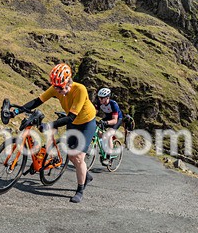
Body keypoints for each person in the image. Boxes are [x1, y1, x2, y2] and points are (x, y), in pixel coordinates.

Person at [8, 63, 97, 203]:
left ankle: (80, 189)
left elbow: (70, 117)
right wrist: (17, 111)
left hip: (87, 123)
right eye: (56, 88)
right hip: (73, 123)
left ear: (68, 82)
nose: (58, 91)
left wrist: (49, 125)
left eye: (61, 88)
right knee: (71, 156)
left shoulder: (80, 89)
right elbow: (37, 101)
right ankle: (85, 174)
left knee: (78, 157)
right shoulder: (56, 88)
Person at [93, 87, 123, 164]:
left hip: (117, 119)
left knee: (109, 134)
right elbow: (94, 113)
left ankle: (109, 156)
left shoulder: (113, 104)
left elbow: (114, 120)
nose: (100, 99)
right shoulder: (99, 103)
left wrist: (106, 123)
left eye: (102, 98)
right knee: (98, 132)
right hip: (108, 117)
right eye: (99, 97)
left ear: (107, 97)